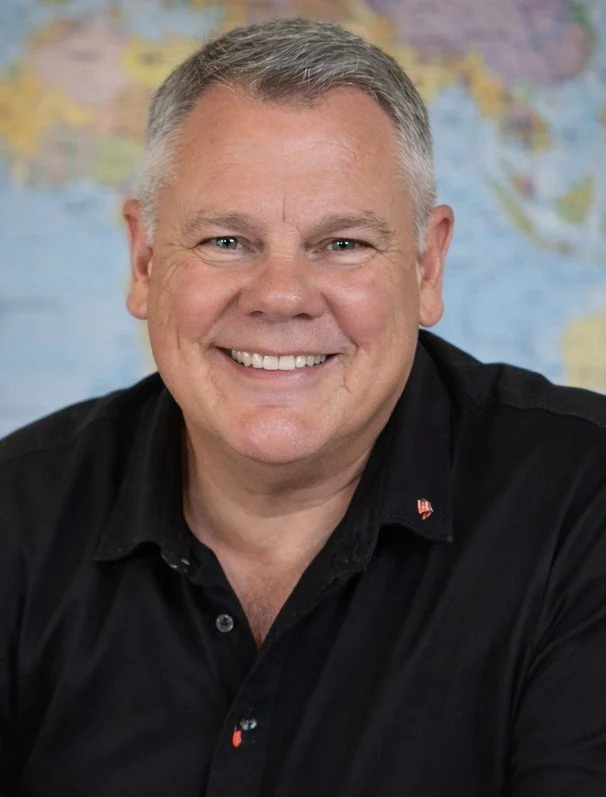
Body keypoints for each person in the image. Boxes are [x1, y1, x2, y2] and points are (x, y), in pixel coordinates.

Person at [1, 17, 605, 797]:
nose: (280, 295)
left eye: (343, 243)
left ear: (426, 265)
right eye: (226, 240)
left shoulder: (581, 507)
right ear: (145, 260)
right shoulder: (17, 516)